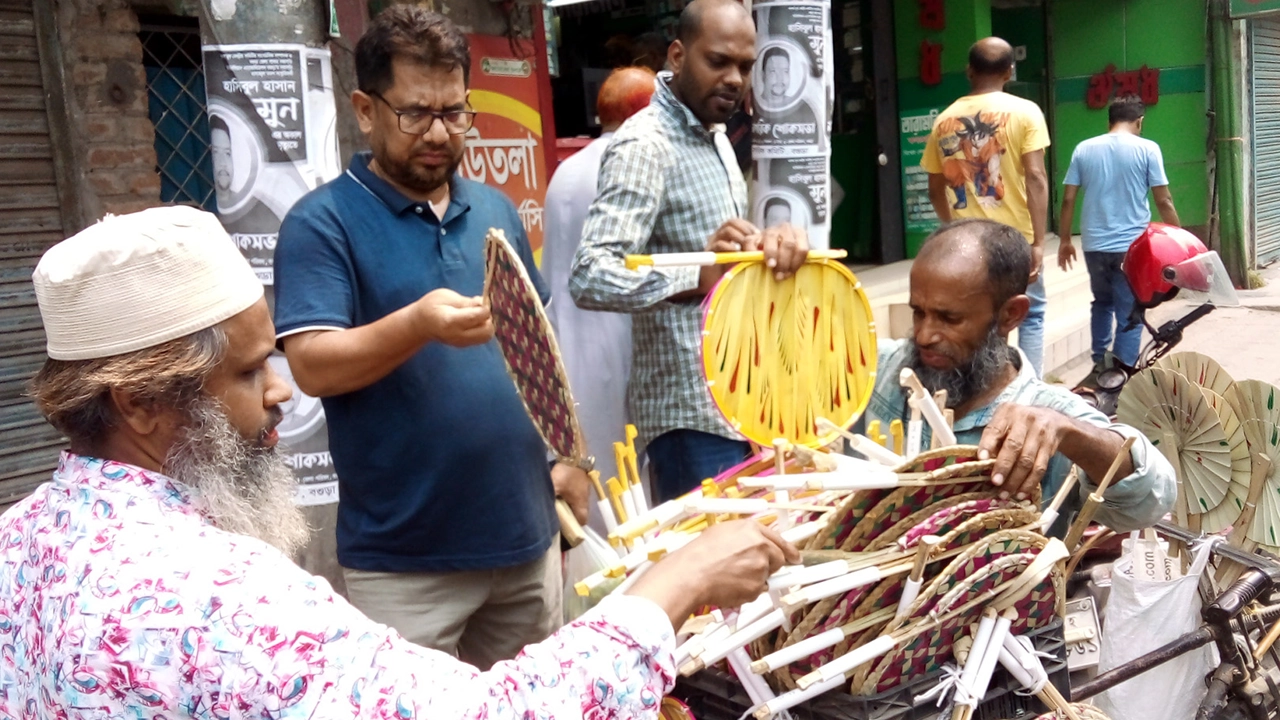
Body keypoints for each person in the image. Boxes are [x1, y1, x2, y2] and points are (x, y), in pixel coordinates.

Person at [4, 204, 799, 719]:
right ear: (141, 403)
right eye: (248, 373)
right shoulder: (213, 598)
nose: (279, 393)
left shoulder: (18, 543)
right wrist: (676, 583)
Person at [272, 7, 590, 668]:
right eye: (416, 113)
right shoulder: (322, 223)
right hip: (407, 568)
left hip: (525, 541)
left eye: (455, 112)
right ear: (365, 109)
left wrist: (571, 454)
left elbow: (539, 346)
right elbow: (312, 366)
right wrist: (418, 324)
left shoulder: (494, 209)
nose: (440, 133)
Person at [571, 0, 810, 504]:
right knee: (706, 574)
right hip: (687, 418)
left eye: (745, 67)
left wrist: (760, 247)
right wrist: (693, 280)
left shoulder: (716, 136)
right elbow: (591, 273)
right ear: (677, 56)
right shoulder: (645, 145)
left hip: (742, 400)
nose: (734, 79)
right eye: (718, 61)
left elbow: (719, 258)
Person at [864, 219, 1176, 534]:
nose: (925, 335)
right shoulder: (883, 368)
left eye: (949, 318)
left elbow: (1152, 499)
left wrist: (1071, 434)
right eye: (918, 312)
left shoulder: (1048, 416)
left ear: (1011, 314)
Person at [543, 66, 656, 529]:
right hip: (621, 342)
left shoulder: (566, 171)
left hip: (570, 345)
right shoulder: (631, 166)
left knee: (596, 472)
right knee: (631, 478)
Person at [922, 38, 1051, 378]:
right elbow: (1036, 177)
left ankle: (980, 387)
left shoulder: (944, 120)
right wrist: (1038, 242)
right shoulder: (1026, 112)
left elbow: (935, 188)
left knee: (977, 318)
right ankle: (1026, 391)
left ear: (969, 71)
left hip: (966, 245)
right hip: (1014, 241)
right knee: (1030, 314)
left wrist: (952, 229)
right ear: (1010, 71)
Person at [1058, 95, 1180, 374]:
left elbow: (1068, 200)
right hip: (1132, 248)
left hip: (1093, 245)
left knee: (1102, 302)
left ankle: (1100, 363)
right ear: (1140, 121)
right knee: (1130, 311)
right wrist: (1178, 237)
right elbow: (1164, 201)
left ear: (1109, 120)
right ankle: (1121, 373)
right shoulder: (1148, 149)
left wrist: (1065, 240)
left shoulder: (1083, 149)